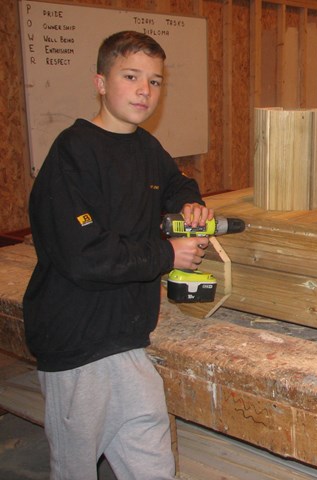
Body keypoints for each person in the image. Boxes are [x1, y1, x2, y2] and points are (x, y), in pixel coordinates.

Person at [22, 31, 213, 479]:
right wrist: (167, 254)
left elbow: (175, 181)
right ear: (101, 82)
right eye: (131, 76)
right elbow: (87, 258)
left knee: (152, 466)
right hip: (78, 348)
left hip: (128, 343)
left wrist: (189, 201)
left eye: (155, 81)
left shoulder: (145, 147)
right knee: (75, 470)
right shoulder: (73, 154)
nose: (145, 90)